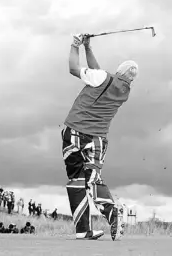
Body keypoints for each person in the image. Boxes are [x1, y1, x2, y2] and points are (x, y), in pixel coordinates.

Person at [60, 34, 138, 241]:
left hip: (75, 133)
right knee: (93, 179)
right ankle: (112, 214)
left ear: (118, 71)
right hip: (98, 139)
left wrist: (75, 46)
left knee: (76, 180)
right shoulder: (124, 90)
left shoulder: (103, 78)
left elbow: (73, 68)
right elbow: (99, 73)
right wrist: (88, 48)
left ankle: (82, 229)